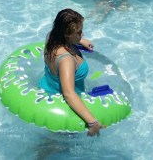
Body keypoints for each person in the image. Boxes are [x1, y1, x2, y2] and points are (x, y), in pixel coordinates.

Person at [38, 9, 104, 137]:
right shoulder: (66, 60)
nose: (82, 34)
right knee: (56, 143)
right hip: (63, 105)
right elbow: (69, 93)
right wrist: (93, 123)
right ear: (67, 34)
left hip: (47, 88)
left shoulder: (50, 37)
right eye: (78, 32)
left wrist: (80, 41)